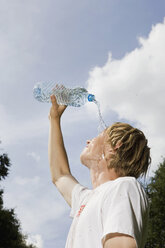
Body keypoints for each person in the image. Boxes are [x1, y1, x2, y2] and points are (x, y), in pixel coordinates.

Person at [48, 95, 151, 248]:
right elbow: (60, 175)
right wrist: (54, 119)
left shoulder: (124, 186)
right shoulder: (86, 199)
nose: (88, 141)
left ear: (115, 147)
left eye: (97, 136)